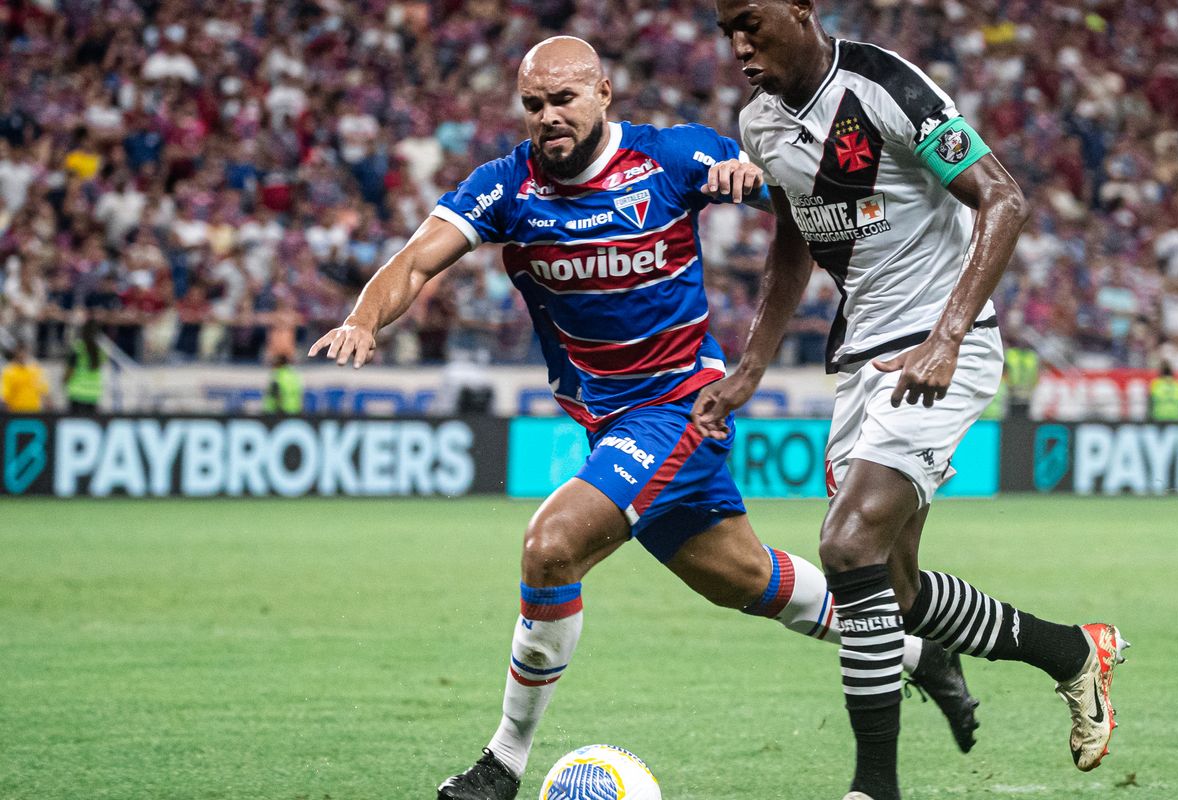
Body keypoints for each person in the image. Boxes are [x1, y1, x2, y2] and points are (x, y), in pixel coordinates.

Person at [307, 37, 977, 800]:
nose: (548, 118)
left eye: (563, 100)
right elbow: (417, 260)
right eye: (533, 105)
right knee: (748, 580)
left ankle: (503, 763)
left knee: (551, 547)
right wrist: (365, 317)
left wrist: (757, 177)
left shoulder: (672, 158)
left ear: (603, 94)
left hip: (681, 407)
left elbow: (813, 204)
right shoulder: (505, 189)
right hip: (610, 423)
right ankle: (921, 653)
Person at [698, 4, 1126, 797]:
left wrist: (949, 334)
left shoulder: (886, 85)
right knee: (891, 593)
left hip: (939, 346)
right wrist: (752, 365)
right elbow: (793, 237)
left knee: (846, 546)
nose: (739, 44)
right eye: (726, 29)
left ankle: (874, 787)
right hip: (863, 360)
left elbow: (1003, 198)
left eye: (751, 22)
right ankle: (1074, 652)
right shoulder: (759, 122)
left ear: (801, 10)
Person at [62, 321, 104, 414]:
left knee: (76, 425)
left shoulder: (78, 348)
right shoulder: (100, 351)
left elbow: (70, 370)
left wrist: (64, 380)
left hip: (77, 392)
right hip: (93, 393)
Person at [0, 343, 49, 413]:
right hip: (16, 412)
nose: (22, 355)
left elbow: (43, 389)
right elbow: (5, 395)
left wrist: (47, 401)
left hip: (34, 411)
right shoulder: (9, 372)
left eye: (24, 353)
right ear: (15, 354)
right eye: (20, 353)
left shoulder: (34, 369)